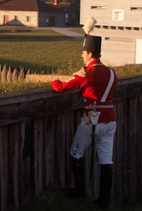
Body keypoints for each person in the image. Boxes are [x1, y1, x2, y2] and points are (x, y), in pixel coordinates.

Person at [51, 34, 118, 209]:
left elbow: (60, 87)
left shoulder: (86, 73)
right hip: (110, 119)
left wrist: (54, 79)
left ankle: (80, 192)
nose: (81, 55)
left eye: (83, 52)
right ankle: (103, 201)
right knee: (106, 160)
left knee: (76, 152)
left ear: (89, 53)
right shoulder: (112, 73)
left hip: (92, 120)